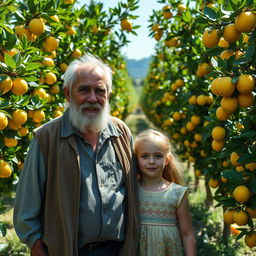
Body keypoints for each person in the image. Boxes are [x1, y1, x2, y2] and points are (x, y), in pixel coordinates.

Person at [13, 53, 139, 256]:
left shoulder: (121, 133)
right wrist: (37, 248)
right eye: (84, 90)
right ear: (68, 94)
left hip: (120, 250)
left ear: (108, 95)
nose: (92, 98)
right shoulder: (47, 138)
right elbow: (25, 209)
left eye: (100, 90)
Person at [134, 129, 196, 256]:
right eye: (145, 156)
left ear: (167, 160)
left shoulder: (177, 193)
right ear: (136, 160)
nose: (151, 161)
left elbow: (187, 233)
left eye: (158, 156)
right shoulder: (132, 190)